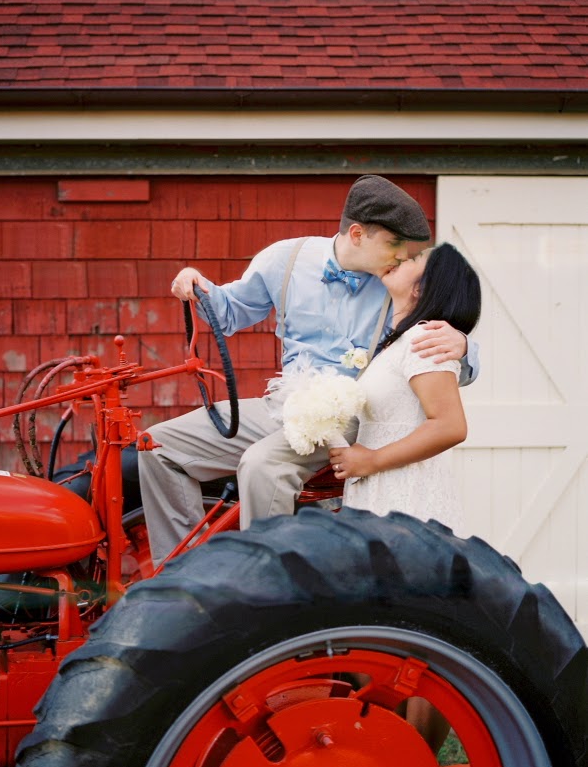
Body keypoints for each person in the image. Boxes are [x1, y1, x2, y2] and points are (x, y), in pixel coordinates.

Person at [139, 175, 480, 565]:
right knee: (157, 448)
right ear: (357, 234)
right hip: (282, 404)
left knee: (262, 467)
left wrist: (466, 345)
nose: (401, 257)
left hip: (347, 418)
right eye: (393, 244)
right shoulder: (285, 259)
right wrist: (194, 284)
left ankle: (267, 589)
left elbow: (432, 345)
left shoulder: (395, 283)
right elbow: (229, 312)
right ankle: (187, 571)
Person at [329, 241, 481, 536]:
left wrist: (372, 460)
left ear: (421, 289)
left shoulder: (425, 339)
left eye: (414, 259)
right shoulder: (400, 342)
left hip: (406, 495)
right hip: (380, 488)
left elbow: (450, 426)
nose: (400, 258)